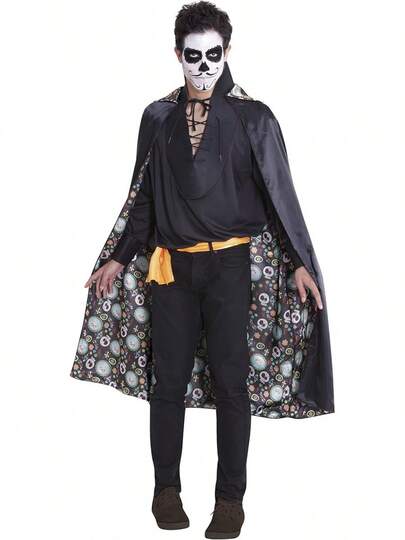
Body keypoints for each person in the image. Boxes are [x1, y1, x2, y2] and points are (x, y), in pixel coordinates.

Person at [71, 2, 334, 538]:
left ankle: (230, 500)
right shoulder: (158, 117)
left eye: (214, 55)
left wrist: (299, 263)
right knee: (166, 382)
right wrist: (118, 256)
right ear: (177, 55)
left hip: (230, 268)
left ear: (227, 52)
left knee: (232, 383)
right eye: (194, 56)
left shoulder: (254, 118)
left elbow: (278, 195)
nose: (205, 66)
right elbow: (144, 198)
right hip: (171, 269)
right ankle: (165, 490)